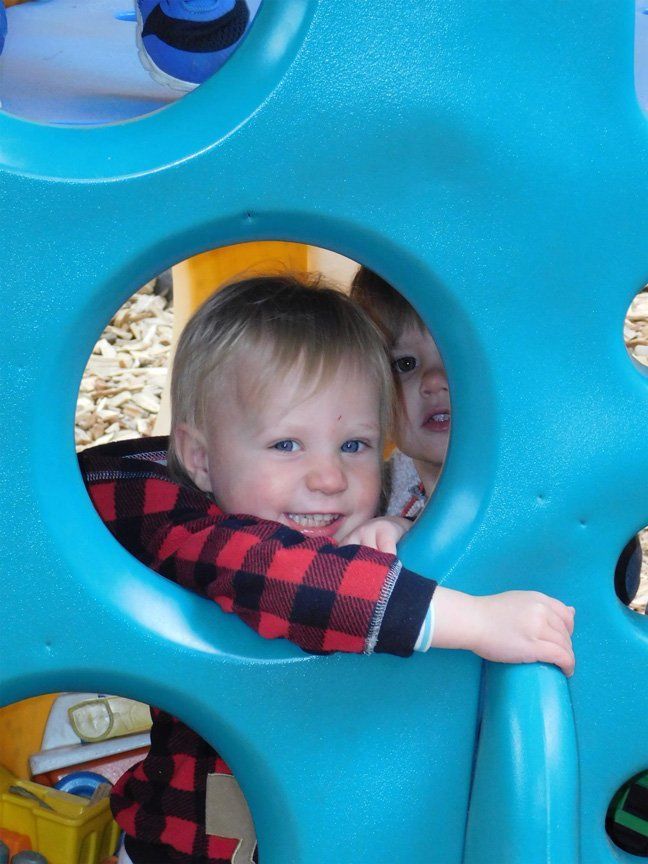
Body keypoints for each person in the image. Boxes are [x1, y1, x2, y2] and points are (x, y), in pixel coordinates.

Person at [79, 274, 575, 864]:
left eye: (355, 445)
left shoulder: (364, 523)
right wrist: (467, 618)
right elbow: (275, 576)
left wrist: (401, 537)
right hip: (187, 847)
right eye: (287, 445)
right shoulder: (181, 528)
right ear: (201, 459)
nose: (328, 479)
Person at [350, 265, 644, 606]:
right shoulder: (377, 489)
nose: (434, 380)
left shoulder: (540, 480)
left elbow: (610, 574)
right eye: (404, 364)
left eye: (454, 357)